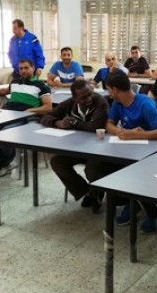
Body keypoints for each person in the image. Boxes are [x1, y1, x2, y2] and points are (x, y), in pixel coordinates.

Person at [106, 72, 157, 234]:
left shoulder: (145, 104)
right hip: (128, 151)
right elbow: (109, 124)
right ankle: (131, 202)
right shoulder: (118, 103)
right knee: (104, 168)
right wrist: (121, 132)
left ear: (115, 90)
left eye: (109, 89)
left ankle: (151, 214)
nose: (109, 93)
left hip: (152, 154)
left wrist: (135, 135)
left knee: (137, 174)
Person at [41, 81, 109, 213]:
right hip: (77, 147)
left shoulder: (100, 102)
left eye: (90, 94)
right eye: (83, 98)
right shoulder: (70, 103)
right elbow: (46, 117)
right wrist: (58, 123)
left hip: (98, 149)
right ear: (75, 98)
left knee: (91, 169)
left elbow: (97, 127)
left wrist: (75, 123)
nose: (88, 99)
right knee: (57, 162)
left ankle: (96, 193)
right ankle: (88, 191)